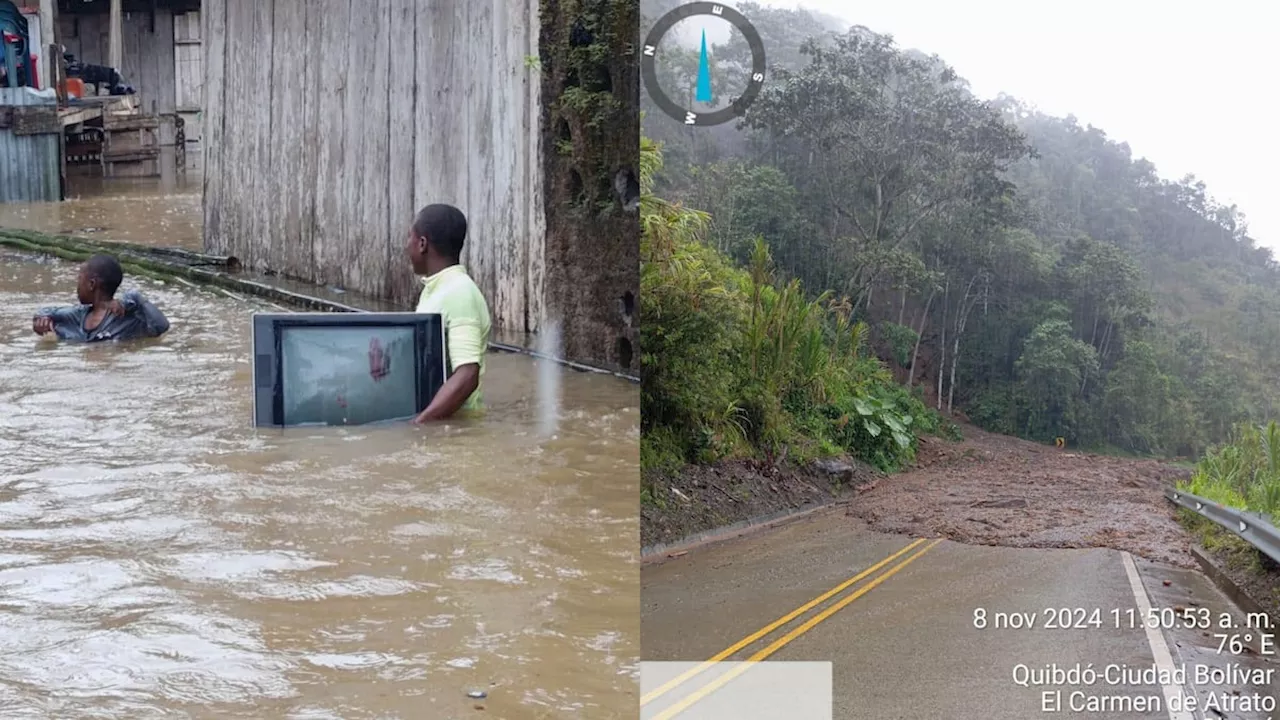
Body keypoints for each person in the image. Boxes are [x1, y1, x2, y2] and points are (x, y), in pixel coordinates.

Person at [403, 203, 491, 422]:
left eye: (409, 238)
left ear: (422, 244)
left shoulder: (459, 293)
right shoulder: (437, 289)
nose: (406, 246)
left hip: (457, 428)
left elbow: (467, 374)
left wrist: (420, 424)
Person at [31, 254, 170, 342]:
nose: (77, 286)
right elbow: (46, 312)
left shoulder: (127, 317)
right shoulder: (77, 315)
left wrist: (135, 297)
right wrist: (41, 320)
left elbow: (162, 327)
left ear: (91, 284)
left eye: (80, 280)